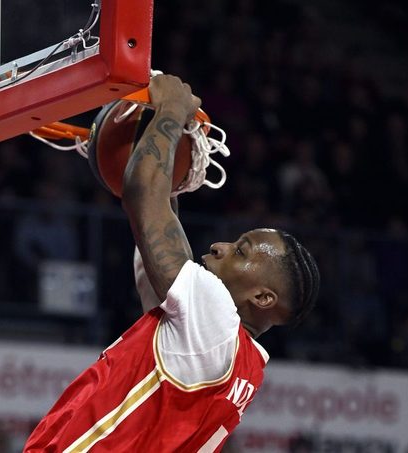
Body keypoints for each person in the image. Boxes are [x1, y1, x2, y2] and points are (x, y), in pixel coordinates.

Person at [24, 75, 320, 451]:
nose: (220, 246)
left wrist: (173, 109)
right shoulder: (232, 360)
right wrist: (165, 146)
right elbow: (156, 212)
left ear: (262, 298)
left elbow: (142, 192)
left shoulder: (215, 321)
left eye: (241, 251)